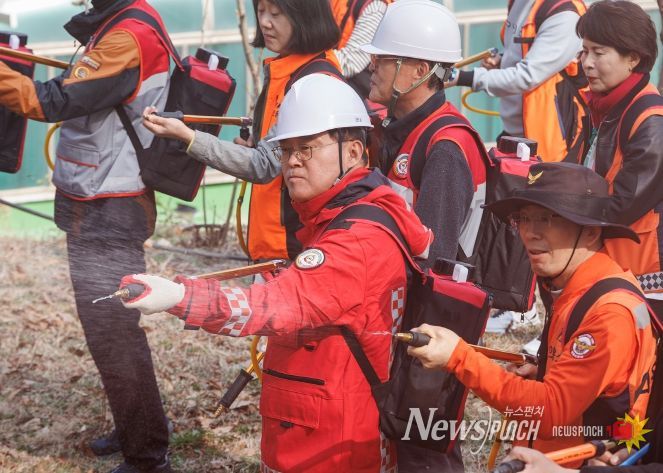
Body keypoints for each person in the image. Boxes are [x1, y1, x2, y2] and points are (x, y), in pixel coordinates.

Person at [122, 74, 432, 472]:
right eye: (286, 150)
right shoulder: (350, 216)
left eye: (307, 148)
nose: (293, 162)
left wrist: (181, 296)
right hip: (327, 425)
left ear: (354, 151)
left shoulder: (357, 240)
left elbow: (271, 307)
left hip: (331, 447)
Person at [0, 1, 172, 471]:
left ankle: (147, 455)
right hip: (98, 199)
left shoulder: (127, 36)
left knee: (114, 332)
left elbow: (50, 102)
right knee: (108, 331)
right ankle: (138, 426)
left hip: (110, 207)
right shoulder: (121, 21)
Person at [407, 162, 657, 465]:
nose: (529, 233)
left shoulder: (609, 312)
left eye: (547, 219)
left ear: (591, 232)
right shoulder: (578, 286)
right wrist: (547, 370)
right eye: (523, 218)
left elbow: (550, 411)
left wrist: (459, 358)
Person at [360, 3, 487, 470]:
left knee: (421, 445)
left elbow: (434, 261)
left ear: (419, 70)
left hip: (430, 325)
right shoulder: (399, 129)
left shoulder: (445, 146)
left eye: (384, 58)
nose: (372, 65)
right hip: (401, 314)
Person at [143, 0, 342, 264]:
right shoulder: (287, 70)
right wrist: (253, 147)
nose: (265, 22)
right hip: (274, 244)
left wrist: (187, 136)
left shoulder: (311, 84)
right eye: (261, 11)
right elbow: (273, 154)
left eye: (276, 14)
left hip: (293, 248)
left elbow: (264, 165)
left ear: (306, 17)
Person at [575, 1, 663, 324]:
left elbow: (622, 205)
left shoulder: (650, 119)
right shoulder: (606, 106)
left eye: (599, 53)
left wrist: (563, 216)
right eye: (584, 51)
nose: (587, 63)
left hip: (645, 279)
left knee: (636, 352)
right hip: (615, 271)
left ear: (633, 58)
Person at [448, 0, 586, 164]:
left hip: (551, 145)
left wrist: (460, 78)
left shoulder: (565, 15)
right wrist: (501, 60)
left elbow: (526, 76)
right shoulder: (520, 3)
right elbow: (523, 53)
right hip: (513, 136)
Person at [330, 0, 390, 99]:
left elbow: (352, 62)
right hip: (334, 79)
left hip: (356, 95)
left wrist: (312, 61)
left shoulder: (375, 7)